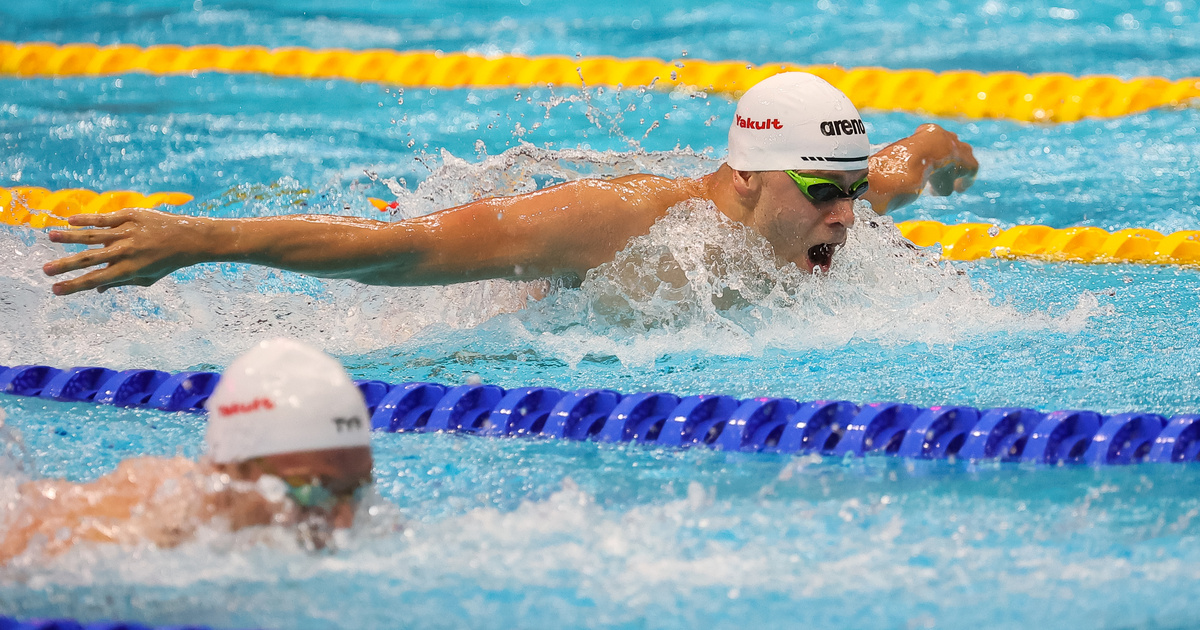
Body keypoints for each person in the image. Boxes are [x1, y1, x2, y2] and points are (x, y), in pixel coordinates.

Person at [41, 72, 977, 296]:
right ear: (742, 172)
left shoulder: (826, 212)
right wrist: (198, 242)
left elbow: (916, 156)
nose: (849, 213)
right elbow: (405, 245)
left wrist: (947, 155)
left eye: (850, 188)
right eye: (824, 189)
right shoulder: (623, 225)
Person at [0, 338, 374, 563]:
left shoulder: (370, 530)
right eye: (310, 489)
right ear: (233, 470)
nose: (343, 523)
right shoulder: (118, 540)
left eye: (356, 489)